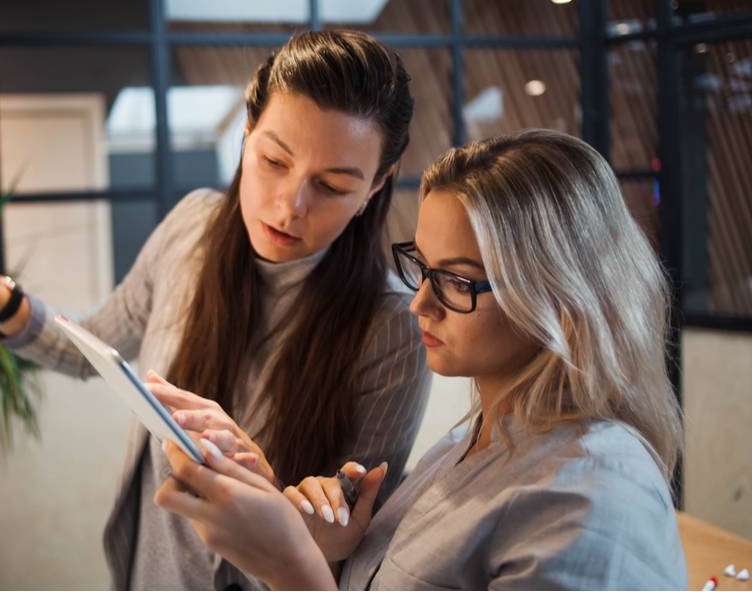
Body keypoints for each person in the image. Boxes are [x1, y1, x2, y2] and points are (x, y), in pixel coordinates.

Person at [0, 30, 433, 590]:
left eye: (333, 185)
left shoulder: (392, 330)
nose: (289, 206)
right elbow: (93, 347)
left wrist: (319, 523)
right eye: (273, 160)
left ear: (376, 185)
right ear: (246, 133)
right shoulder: (191, 229)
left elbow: (358, 555)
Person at [155, 129, 687, 590]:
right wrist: (326, 548)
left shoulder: (593, 500)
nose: (419, 304)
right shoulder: (475, 438)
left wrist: (293, 568)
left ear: (557, 296)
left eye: (455, 281)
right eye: (423, 268)